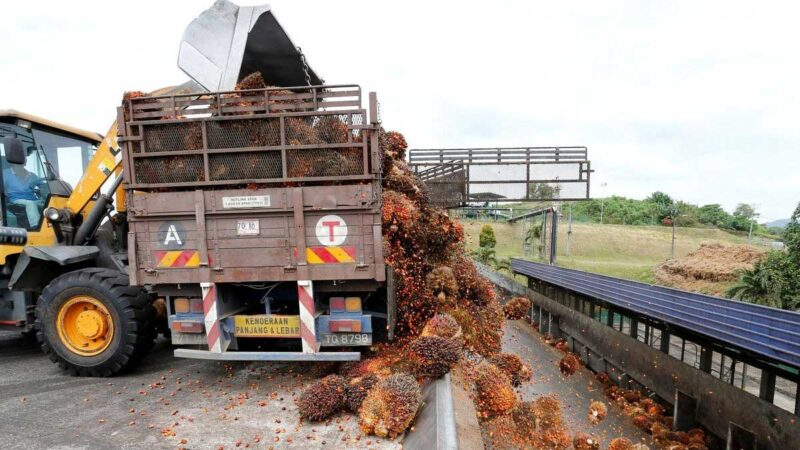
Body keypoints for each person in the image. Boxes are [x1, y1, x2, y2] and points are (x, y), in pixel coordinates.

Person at [3, 162, 45, 228]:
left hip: (33, 199)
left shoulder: (32, 175)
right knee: (30, 203)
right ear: (12, 163)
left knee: (46, 204)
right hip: (16, 199)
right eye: (17, 161)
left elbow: (43, 186)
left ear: (25, 163)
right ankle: (36, 226)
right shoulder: (5, 173)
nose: (20, 163)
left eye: (22, 161)